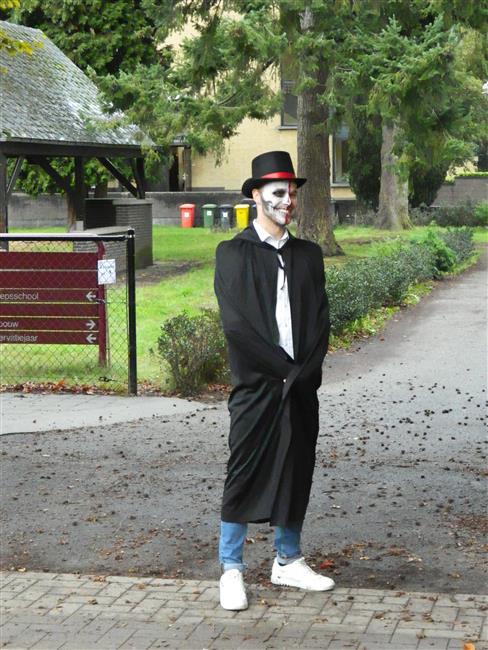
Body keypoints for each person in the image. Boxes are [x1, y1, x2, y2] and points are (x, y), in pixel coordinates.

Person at [214, 151, 335, 611]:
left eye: (292, 194)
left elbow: (320, 321)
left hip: (300, 387)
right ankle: (231, 568)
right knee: (244, 471)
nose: (288, 202)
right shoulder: (232, 254)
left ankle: (288, 560)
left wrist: (304, 375)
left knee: (296, 467)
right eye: (279, 193)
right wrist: (284, 371)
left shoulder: (308, 256)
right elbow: (237, 327)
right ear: (256, 196)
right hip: (258, 386)